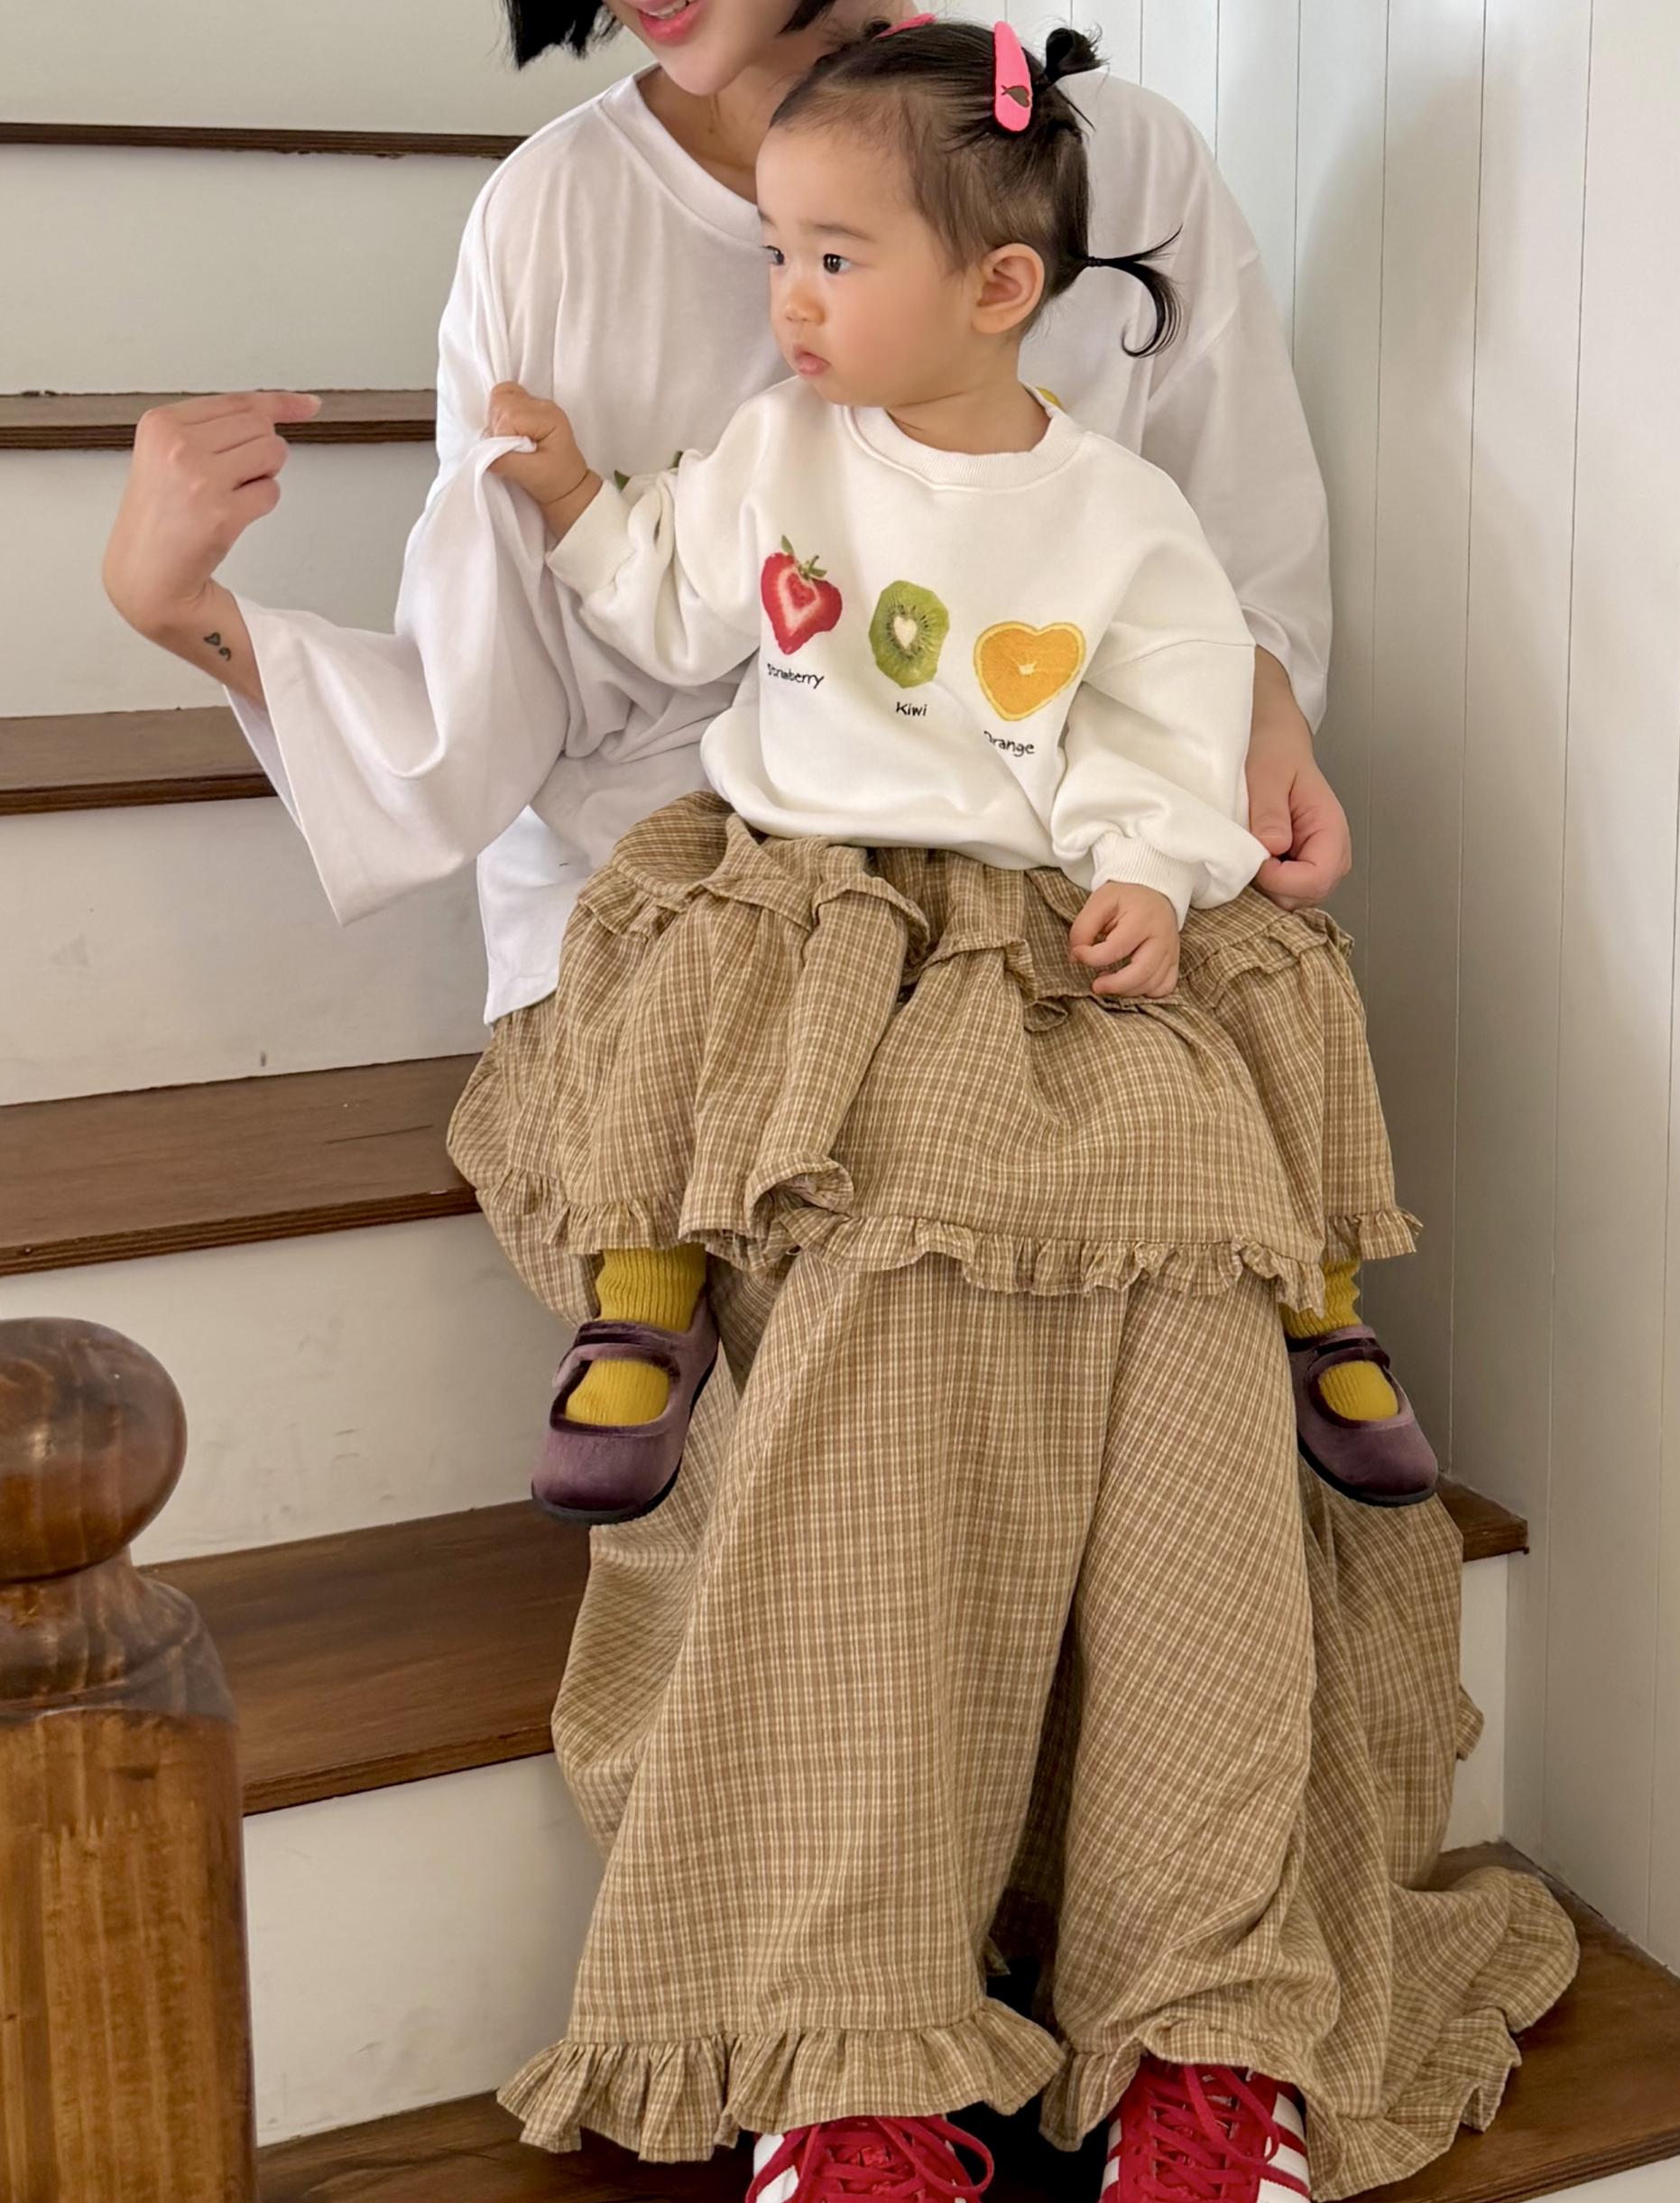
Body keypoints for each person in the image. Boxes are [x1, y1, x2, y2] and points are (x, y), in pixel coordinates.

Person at [99, 8, 1579, 2203]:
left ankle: (1210, 2033)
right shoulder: (567, 225)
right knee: (889, 1298)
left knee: (1189, 1314)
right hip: (721, 952)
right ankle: (847, 2054)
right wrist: (185, 611)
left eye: (833, 254)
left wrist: (1224, 769)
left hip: (1077, 893)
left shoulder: (1099, 158)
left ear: (998, 275)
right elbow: (512, 688)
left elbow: (1228, 601)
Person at [480, 14, 1437, 1544]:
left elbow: (1170, 710)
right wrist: (578, 499)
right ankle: (645, 1290)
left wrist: (1146, 864)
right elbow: (672, 600)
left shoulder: (1119, 511)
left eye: (833, 261)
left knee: (1283, 985)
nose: (789, 301)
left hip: (1031, 864)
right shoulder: (780, 448)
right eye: (777, 256)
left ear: (997, 289)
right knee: (676, 974)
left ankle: (1320, 1295)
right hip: (801, 853)